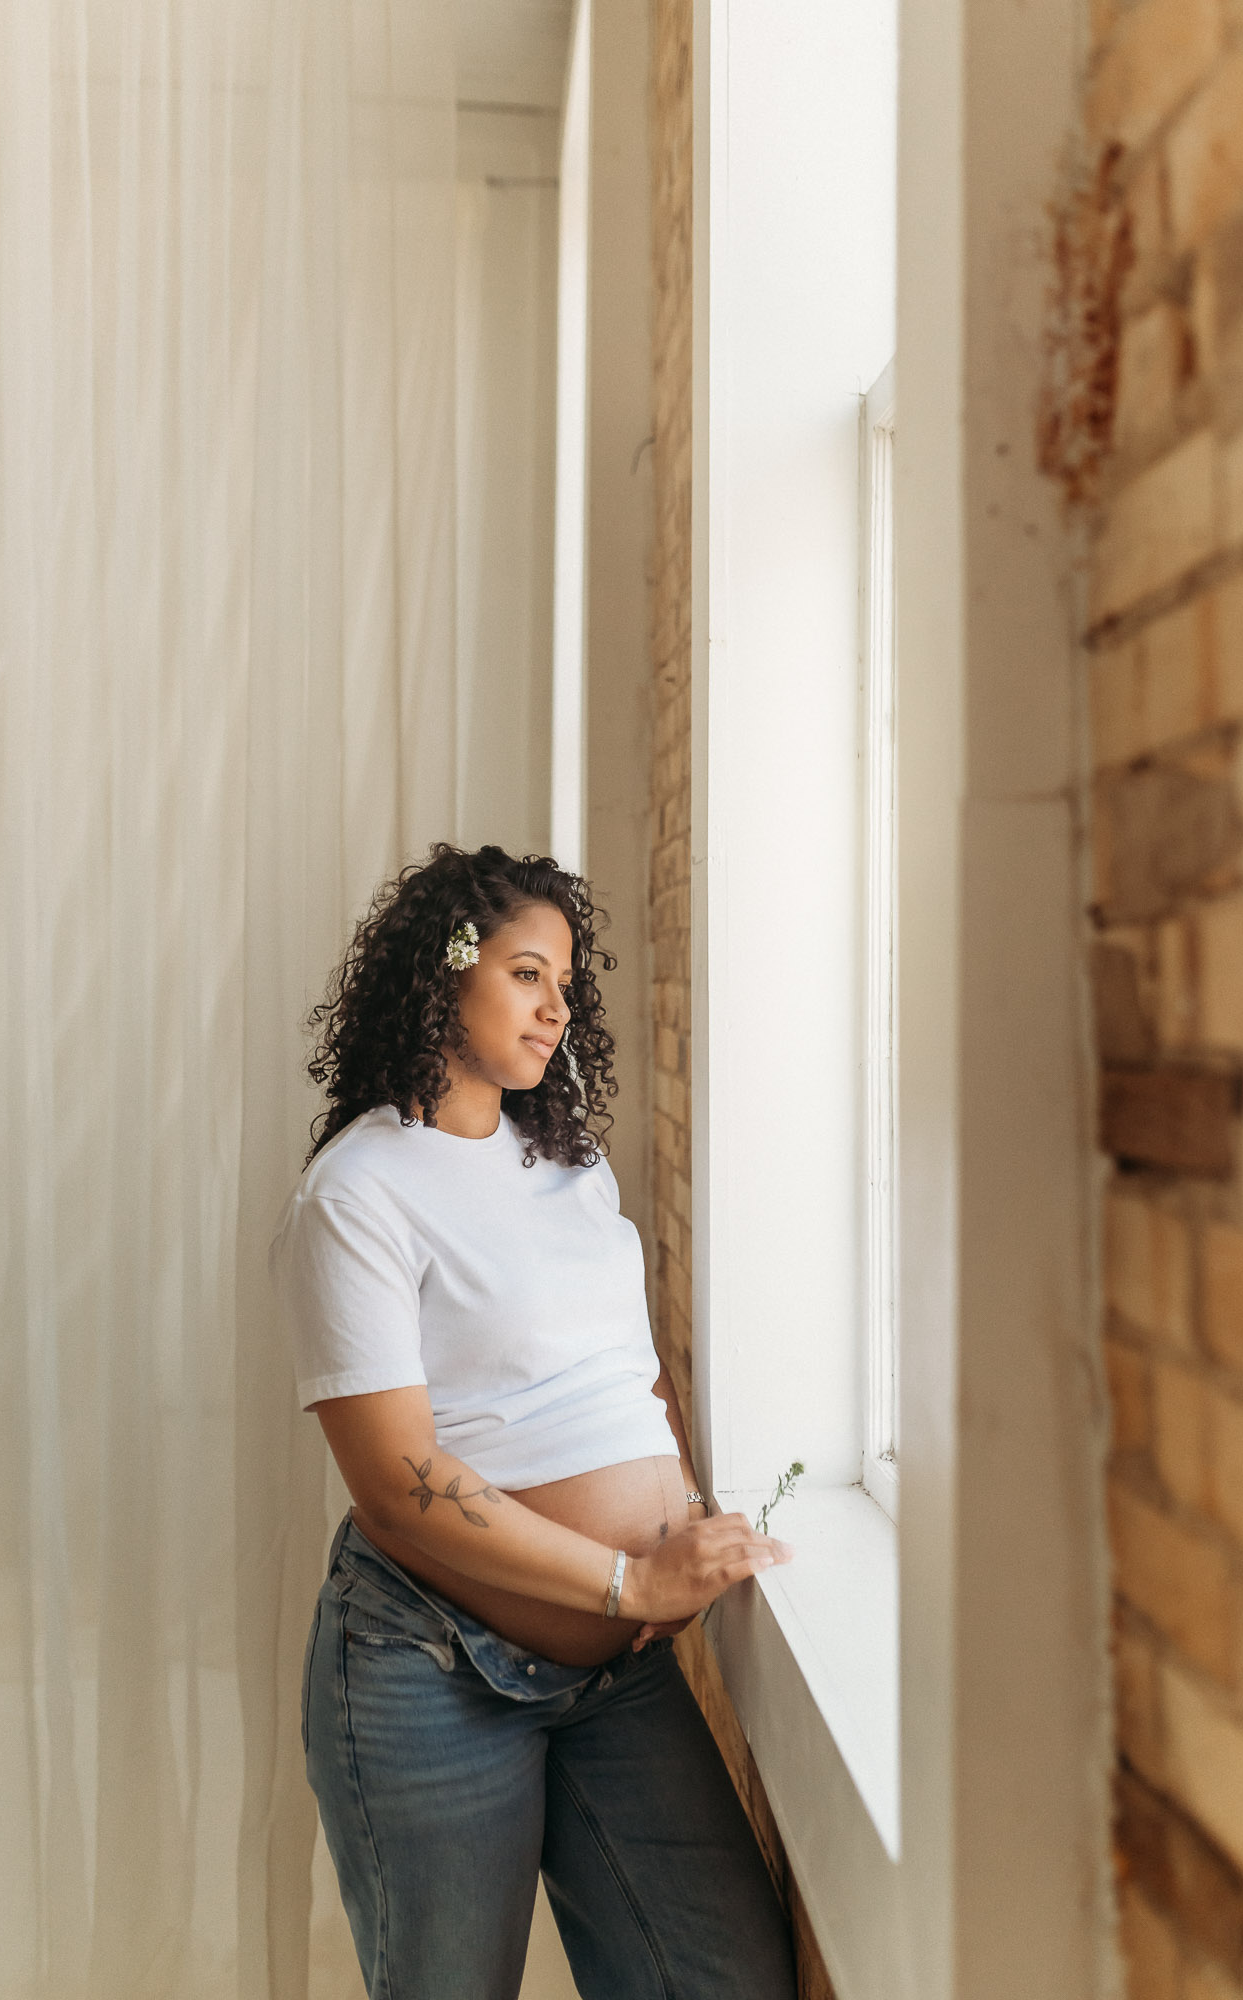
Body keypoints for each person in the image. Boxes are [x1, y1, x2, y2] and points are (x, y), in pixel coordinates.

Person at [270, 842, 798, 2000]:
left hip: (614, 1676)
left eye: (566, 979)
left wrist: (668, 1530)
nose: (557, 1003)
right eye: (524, 971)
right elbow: (398, 1481)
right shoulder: (357, 1193)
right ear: (446, 970)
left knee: (725, 1974)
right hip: (433, 1665)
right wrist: (630, 1579)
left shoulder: (565, 1159)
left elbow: (617, 1375)